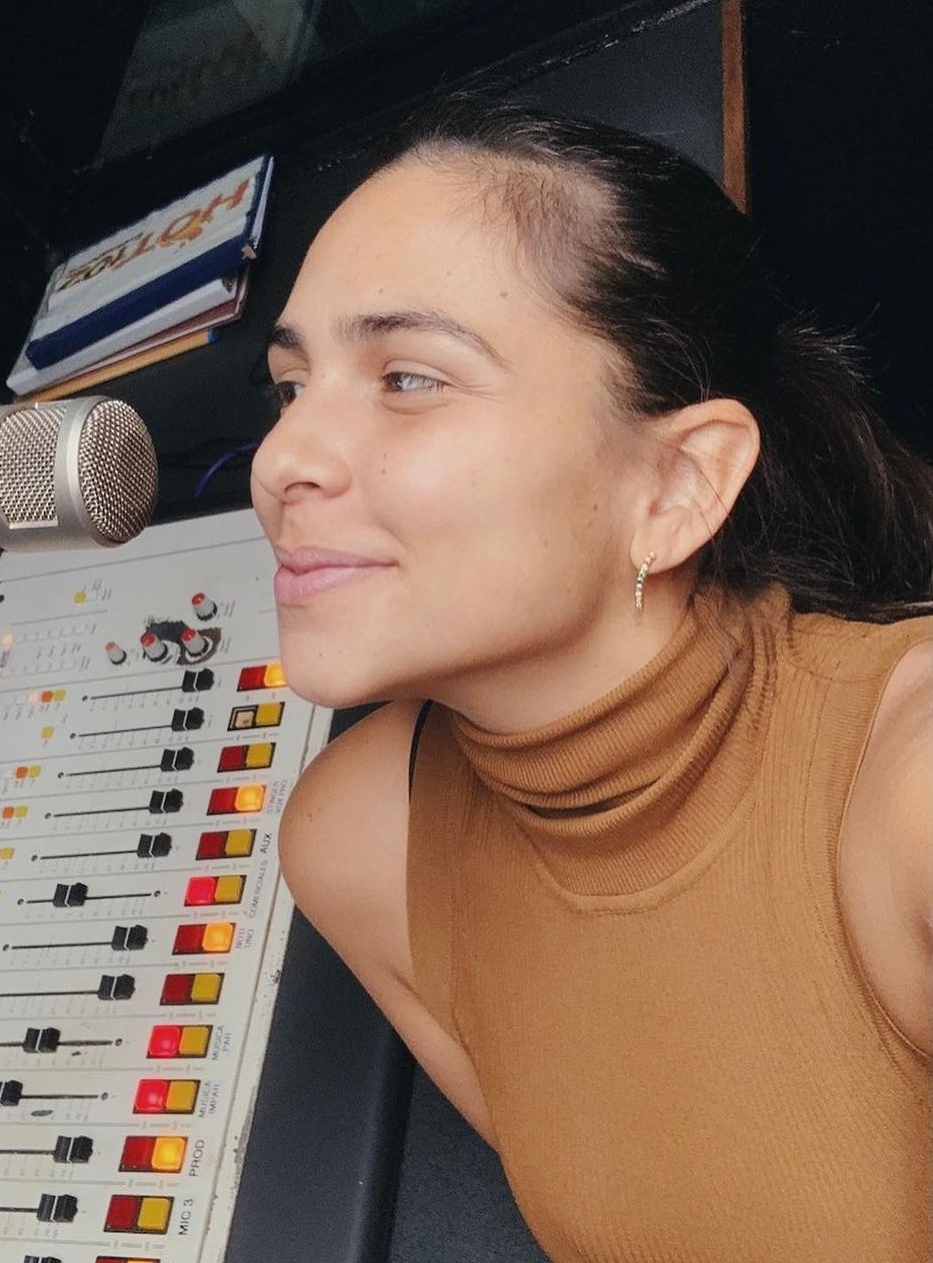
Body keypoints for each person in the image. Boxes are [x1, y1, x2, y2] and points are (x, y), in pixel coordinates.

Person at [249, 94, 932, 1262]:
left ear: (677, 486)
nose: (280, 460)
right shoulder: (354, 840)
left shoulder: (909, 788)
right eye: (290, 386)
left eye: (408, 379)